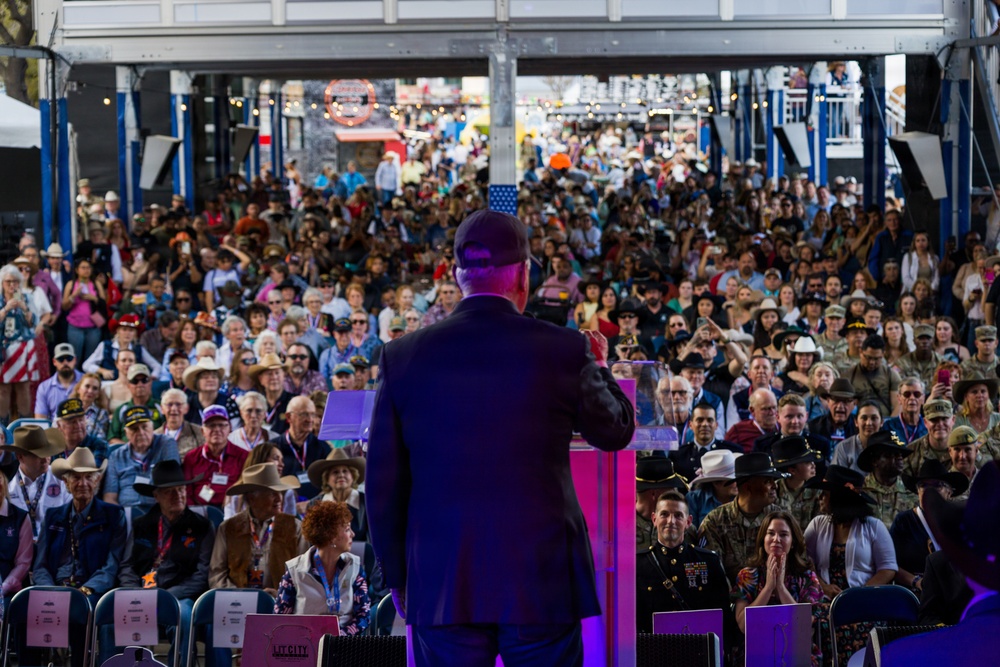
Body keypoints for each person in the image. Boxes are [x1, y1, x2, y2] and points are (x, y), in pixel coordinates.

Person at [366, 210, 635, 666]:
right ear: (524, 275)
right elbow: (614, 430)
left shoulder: (402, 356)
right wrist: (600, 365)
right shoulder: (565, 349)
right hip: (541, 578)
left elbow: (383, 482)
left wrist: (397, 575)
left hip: (441, 576)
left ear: (457, 275)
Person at [881, 461, 1000, 664]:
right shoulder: (934, 558)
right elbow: (928, 616)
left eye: (935, 485)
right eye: (923, 485)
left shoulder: (900, 657)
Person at [119, 460, 216, 667]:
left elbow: (202, 574)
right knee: (112, 618)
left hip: (180, 597)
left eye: (181, 489)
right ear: (156, 496)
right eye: (169, 491)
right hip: (140, 594)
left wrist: (166, 596)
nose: (178, 495)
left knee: (183, 616)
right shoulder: (142, 524)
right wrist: (133, 593)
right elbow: (127, 566)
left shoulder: (202, 526)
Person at [804, 466, 897, 665]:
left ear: (839, 498)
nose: (821, 498)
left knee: (864, 625)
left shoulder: (873, 526)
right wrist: (822, 585)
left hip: (864, 600)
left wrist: (857, 596)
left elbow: (888, 568)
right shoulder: (817, 525)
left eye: (825, 494)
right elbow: (804, 562)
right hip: (825, 600)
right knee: (820, 623)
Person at [732, 510, 825, 666]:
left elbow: (803, 625)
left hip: (796, 649)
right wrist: (768, 588)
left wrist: (781, 587)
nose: (776, 539)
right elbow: (743, 626)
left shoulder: (807, 577)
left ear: (793, 541)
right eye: (771, 534)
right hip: (756, 650)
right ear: (763, 539)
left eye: (783, 534)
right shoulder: (747, 575)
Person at [34, 447, 127, 603]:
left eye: (89, 477)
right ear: (66, 482)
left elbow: (111, 566)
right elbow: (40, 566)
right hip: (55, 589)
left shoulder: (114, 515)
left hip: (93, 592)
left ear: (97, 480)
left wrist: (85, 591)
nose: (82, 483)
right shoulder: (52, 516)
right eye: (76, 478)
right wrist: (50, 591)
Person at [635, 490, 730, 634]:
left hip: (698, 647)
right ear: (654, 519)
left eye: (678, 515)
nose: (671, 521)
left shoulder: (708, 561)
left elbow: (722, 614)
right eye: (664, 514)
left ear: (688, 522)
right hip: (653, 649)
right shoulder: (638, 564)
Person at [209, 462, 308, 595]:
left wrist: (282, 594)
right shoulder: (228, 528)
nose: (279, 498)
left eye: (280, 492)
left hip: (281, 604)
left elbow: (304, 573)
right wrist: (239, 596)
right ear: (252, 498)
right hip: (236, 605)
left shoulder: (295, 527)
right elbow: (217, 574)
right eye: (272, 493)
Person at [274, 501, 371, 635]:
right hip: (304, 646)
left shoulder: (355, 568)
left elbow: (364, 616)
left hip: (344, 647)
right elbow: (280, 619)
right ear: (331, 536)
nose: (353, 534)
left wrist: (341, 635)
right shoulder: (294, 571)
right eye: (347, 529)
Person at [698, 452, 787, 582]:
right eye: (768, 481)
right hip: (728, 599)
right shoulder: (714, 522)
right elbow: (712, 572)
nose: (775, 486)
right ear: (748, 487)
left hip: (774, 596)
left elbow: (798, 563)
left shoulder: (780, 520)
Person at [890, 457, 968, 593]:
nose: (929, 491)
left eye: (937, 485)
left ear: (949, 492)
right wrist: (917, 582)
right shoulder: (904, 521)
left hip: (954, 593)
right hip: (915, 593)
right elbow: (890, 565)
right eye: (924, 486)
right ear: (917, 491)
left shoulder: (960, 521)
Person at [2, 425, 71, 543]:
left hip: (55, 547)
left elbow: (71, 520)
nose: (45, 459)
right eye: (38, 455)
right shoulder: (6, 485)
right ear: (20, 457)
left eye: (47, 452)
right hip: (17, 549)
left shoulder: (61, 480)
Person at [103, 406, 180, 509]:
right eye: (134, 429)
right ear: (126, 433)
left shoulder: (166, 444)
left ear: (152, 427)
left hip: (158, 510)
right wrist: (122, 518)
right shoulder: (116, 455)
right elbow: (109, 497)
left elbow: (172, 485)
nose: (141, 433)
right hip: (126, 512)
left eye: (144, 427)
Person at [182, 405, 248, 508]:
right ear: (202, 431)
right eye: (211, 425)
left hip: (232, 511)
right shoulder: (191, 458)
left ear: (230, 429)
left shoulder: (243, 456)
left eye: (222, 425)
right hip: (199, 511)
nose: (217, 429)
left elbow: (245, 490)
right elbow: (187, 491)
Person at [857, 430, 919, 529]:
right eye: (890, 455)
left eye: (900, 454)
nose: (899, 458)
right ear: (874, 461)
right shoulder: (860, 492)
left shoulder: (912, 492)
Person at [668, 401, 742, 481]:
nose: (705, 424)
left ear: (716, 425)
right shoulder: (678, 455)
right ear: (691, 425)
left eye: (710, 420)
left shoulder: (731, 452)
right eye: (700, 420)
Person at [306, 448, 367, 540]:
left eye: (345, 471)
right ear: (326, 478)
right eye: (335, 472)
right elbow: (312, 539)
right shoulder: (315, 505)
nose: (341, 475)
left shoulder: (366, 502)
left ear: (353, 475)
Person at [635, 458, 689, 552]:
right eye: (671, 489)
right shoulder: (617, 526)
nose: (675, 493)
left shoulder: (682, 526)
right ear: (654, 494)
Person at [772, 435, 823, 532]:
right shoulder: (774, 490)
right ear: (792, 470)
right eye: (807, 462)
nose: (813, 465)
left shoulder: (817, 492)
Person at [685, 450, 741, 529]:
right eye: (733, 480)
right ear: (716, 483)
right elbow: (692, 532)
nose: (738, 483)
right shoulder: (695, 499)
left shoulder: (743, 496)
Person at [903, 399, 958, 477]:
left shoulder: (963, 450)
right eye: (934, 420)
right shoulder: (911, 452)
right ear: (925, 422)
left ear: (953, 420)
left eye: (944, 419)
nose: (940, 424)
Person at [53, 397, 109, 466]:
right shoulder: (54, 449)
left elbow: (93, 473)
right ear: (59, 425)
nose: (78, 425)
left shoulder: (99, 445)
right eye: (72, 422)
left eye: (81, 420)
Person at [34, 342, 83, 420]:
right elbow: (40, 419)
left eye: (69, 358)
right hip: (55, 429)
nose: (65, 362)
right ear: (54, 362)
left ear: (75, 360)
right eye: (61, 359)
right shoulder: (44, 387)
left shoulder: (86, 382)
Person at [726, 386, 780, 453]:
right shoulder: (737, 431)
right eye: (766, 409)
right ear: (752, 410)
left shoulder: (784, 427)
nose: (772, 413)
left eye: (774, 407)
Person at [155, 388, 204, 457]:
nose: (174, 409)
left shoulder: (199, 432)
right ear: (162, 409)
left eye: (178, 404)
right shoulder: (154, 436)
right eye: (169, 404)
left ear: (186, 408)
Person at [882, 378, 928, 446]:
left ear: (923, 399)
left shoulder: (929, 426)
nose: (912, 398)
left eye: (917, 394)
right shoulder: (888, 426)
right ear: (899, 398)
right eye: (907, 394)